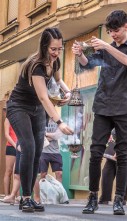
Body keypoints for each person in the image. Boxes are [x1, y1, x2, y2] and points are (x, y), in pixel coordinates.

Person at [72, 10, 127, 215]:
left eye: (117, 31)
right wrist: (80, 54)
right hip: (103, 105)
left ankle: (119, 199)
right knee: (95, 153)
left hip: (124, 107)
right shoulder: (105, 49)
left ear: (126, 26)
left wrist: (105, 46)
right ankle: (93, 197)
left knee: (122, 154)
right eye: (111, 32)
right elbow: (89, 65)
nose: (114, 35)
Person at [6, 27, 73, 213]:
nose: (56, 53)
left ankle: (28, 198)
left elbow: (58, 81)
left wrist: (67, 92)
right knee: (28, 146)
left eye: (59, 49)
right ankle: (26, 197)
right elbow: (44, 97)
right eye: (53, 49)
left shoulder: (55, 62)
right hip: (19, 107)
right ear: (44, 46)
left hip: (37, 110)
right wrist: (60, 122)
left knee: (36, 151)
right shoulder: (36, 65)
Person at [33, 119, 67, 204]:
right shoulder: (41, 119)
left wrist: (45, 134)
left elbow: (57, 136)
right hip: (43, 152)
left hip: (56, 152)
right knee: (42, 175)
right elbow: (39, 135)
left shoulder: (59, 121)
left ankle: (60, 196)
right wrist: (50, 136)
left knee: (59, 174)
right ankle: (41, 197)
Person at [98, 129, 127, 205]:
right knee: (106, 174)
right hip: (110, 154)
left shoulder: (122, 122)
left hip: (121, 152)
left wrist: (119, 151)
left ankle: (121, 197)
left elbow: (125, 136)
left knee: (122, 174)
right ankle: (105, 197)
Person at [2, 116, 18, 200]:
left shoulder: (23, 117)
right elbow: (6, 134)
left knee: (18, 172)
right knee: (8, 171)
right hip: (11, 146)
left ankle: (17, 196)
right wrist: (15, 146)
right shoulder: (8, 119)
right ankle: (6, 195)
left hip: (22, 146)